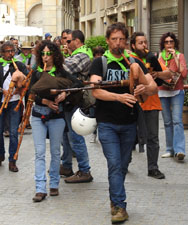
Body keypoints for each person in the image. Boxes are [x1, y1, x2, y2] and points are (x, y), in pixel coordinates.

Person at [89, 22, 157, 223]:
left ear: (126, 41)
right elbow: (95, 90)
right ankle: (120, 206)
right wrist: (119, 97)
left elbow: (153, 86)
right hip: (107, 122)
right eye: (114, 39)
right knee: (114, 163)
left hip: (129, 122)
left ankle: (114, 198)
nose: (117, 43)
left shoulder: (133, 62)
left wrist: (144, 89)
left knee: (122, 164)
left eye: (121, 39)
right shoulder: (100, 62)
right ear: (108, 40)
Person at [31, 40, 82, 202]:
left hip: (57, 117)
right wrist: (46, 102)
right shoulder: (36, 72)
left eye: (49, 54)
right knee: (39, 153)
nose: (46, 57)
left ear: (55, 55)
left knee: (55, 152)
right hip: (38, 115)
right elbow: (30, 95)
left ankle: (54, 184)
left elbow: (78, 84)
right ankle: (40, 188)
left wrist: (65, 94)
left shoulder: (61, 72)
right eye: (43, 54)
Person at [130, 32, 172, 179]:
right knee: (129, 135)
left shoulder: (151, 58)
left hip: (152, 103)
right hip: (133, 103)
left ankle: (153, 168)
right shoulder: (129, 59)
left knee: (153, 137)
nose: (144, 45)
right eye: (140, 43)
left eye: (145, 42)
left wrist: (156, 75)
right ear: (133, 45)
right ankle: (125, 162)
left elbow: (168, 74)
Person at [0, 41, 27, 172]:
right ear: (2, 53)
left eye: (12, 51)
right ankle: (0, 154)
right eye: (7, 51)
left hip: (14, 102)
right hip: (0, 102)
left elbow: (27, 80)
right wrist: (2, 91)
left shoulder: (19, 65)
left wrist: (19, 88)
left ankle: (12, 160)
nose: (10, 54)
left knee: (14, 132)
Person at [60, 30, 93, 184]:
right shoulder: (76, 54)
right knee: (66, 135)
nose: (66, 44)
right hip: (69, 101)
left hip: (76, 101)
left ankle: (85, 170)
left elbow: (64, 69)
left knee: (75, 137)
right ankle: (67, 166)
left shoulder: (84, 55)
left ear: (77, 41)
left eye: (68, 41)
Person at [158, 32, 187, 160]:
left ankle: (179, 150)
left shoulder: (180, 56)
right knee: (167, 122)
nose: (169, 44)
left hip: (177, 91)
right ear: (163, 44)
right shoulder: (160, 56)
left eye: (171, 42)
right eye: (166, 42)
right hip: (163, 91)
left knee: (177, 121)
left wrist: (175, 57)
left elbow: (184, 73)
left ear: (175, 43)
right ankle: (170, 149)